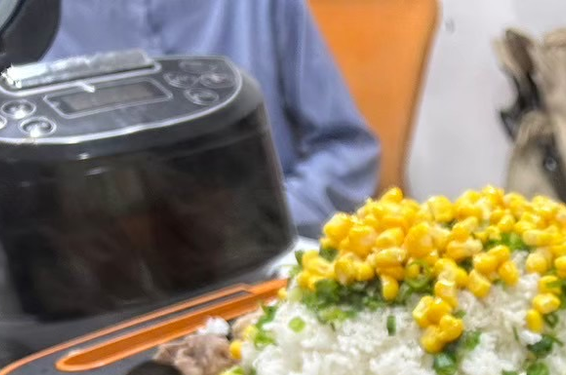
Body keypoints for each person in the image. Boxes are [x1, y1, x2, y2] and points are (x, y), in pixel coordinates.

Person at [42, 0, 380, 236]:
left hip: (265, 258)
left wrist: (266, 221)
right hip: (109, 278)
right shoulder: (25, 21)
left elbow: (348, 148)